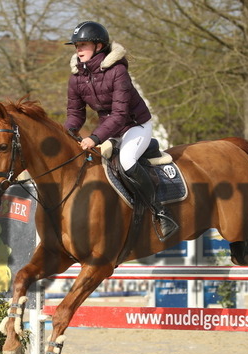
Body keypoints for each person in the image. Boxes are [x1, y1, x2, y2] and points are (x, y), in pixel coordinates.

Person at [63, 21, 178, 239]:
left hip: (136, 125)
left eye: (83, 44)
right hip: (111, 129)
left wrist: (94, 137)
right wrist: (66, 132)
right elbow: (75, 114)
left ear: (98, 46)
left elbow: (120, 115)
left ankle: (161, 211)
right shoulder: (76, 78)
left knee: (126, 161)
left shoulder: (117, 71)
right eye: (76, 45)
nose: (78, 49)